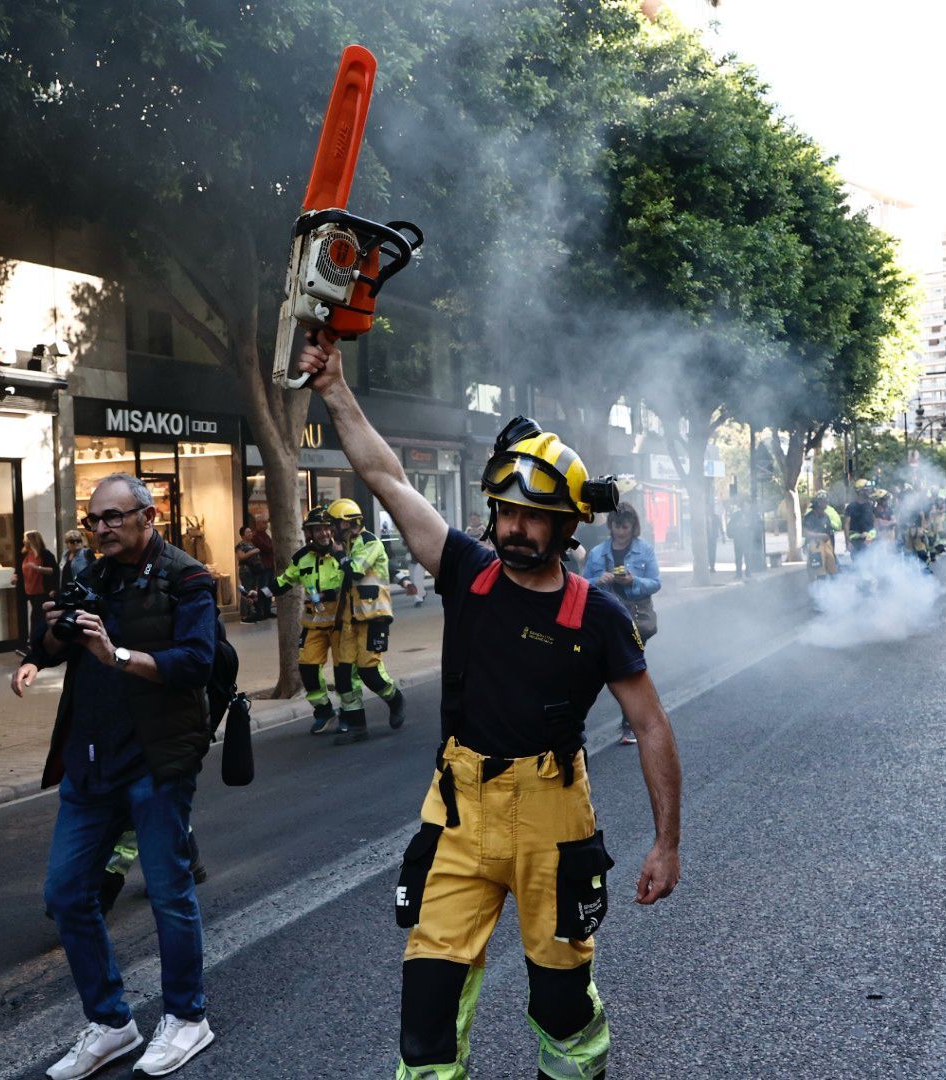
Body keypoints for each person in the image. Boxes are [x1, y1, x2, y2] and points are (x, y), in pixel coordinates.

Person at [293, 333, 682, 1080]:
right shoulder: (466, 571)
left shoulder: (599, 617)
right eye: (507, 511)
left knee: (563, 1007)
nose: (516, 528)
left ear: (569, 527)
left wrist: (666, 843)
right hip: (459, 814)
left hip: (553, 818)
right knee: (427, 1010)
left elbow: (651, 726)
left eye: (535, 517)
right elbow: (386, 477)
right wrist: (336, 387)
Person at [11, 474, 217, 1079]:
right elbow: (51, 644)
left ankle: (187, 1017)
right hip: (89, 761)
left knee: (170, 895)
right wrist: (39, 647)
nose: (100, 528)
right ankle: (110, 1022)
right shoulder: (89, 574)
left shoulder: (188, 578)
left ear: (147, 516)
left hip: (155, 760)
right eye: (93, 519)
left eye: (113, 518)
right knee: (66, 893)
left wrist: (118, 655)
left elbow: (198, 662)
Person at [326, 498, 408, 745]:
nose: (332, 529)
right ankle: (357, 726)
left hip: (374, 618)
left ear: (347, 523)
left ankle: (395, 699)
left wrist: (340, 556)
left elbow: (356, 571)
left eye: (335, 523)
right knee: (343, 675)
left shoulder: (369, 542)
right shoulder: (347, 545)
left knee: (369, 671)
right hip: (350, 620)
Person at [584, 504, 662, 746]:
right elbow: (583, 583)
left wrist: (632, 581)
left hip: (635, 617)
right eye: (617, 526)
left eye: (625, 527)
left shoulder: (645, 550)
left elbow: (655, 582)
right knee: (599, 669)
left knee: (629, 668)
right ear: (611, 526)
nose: (620, 532)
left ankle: (630, 724)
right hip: (607, 616)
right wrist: (599, 580)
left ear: (633, 527)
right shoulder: (597, 553)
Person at [271, 508, 348, 734]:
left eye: (327, 528)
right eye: (318, 529)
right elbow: (285, 581)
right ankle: (324, 712)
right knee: (308, 668)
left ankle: (349, 714)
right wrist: (261, 593)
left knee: (344, 672)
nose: (323, 533)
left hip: (342, 623)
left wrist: (329, 595)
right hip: (314, 625)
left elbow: (353, 580)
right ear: (310, 532)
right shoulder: (302, 557)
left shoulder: (342, 553)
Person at [16, 531, 56, 651]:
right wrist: (15, 576)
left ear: (32, 540)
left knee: (36, 617)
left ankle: (35, 644)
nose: (23, 541)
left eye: (25, 538)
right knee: (37, 617)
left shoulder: (45, 554)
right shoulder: (25, 554)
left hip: (42, 591)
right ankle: (37, 642)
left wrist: (37, 568)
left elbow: (53, 570)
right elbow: (19, 570)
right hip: (29, 591)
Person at [802, 491, 842, 583]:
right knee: (817, 568)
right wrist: (818, 536)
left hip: (826, 544)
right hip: (814, 545)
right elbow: (805, 532)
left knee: (831, 566)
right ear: (817, 503)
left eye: (826, 501)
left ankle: (829, 589)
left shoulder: (826, 517)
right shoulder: (809, 517)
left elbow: (829, 533)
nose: (825, 503)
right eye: (823, 501)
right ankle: (816, 591)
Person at [234, 526, 263, 623]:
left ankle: (252, 613)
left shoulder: (252, 544)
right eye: (247, 532)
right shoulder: (240, 545)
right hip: (246, 571)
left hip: (254, 571)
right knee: (245, 592)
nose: (250, 533)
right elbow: (241, 557)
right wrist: (253, 551)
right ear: (242, 535)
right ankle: (244, 615)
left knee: (252, 592)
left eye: (251, 531)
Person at [250, 514, 276, 621]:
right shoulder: (256, 536)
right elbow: (267, 548)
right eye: (264, 522)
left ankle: (267, 610)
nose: (266, 524)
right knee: (262, 589)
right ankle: (260, 611)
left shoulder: (266, 535)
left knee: (269, 589)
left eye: (267, 522)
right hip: (263, 567)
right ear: (258, 523)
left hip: (270, 566)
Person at [843, 480, 877, 559]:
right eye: (866, 489)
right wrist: (847, 542)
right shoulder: (851, 507)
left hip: (870, 542)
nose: (869, 491)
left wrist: (871, 537)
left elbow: (875, 523)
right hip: (856, 543)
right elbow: (846, 525)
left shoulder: (871, 505)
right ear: (860, 491)